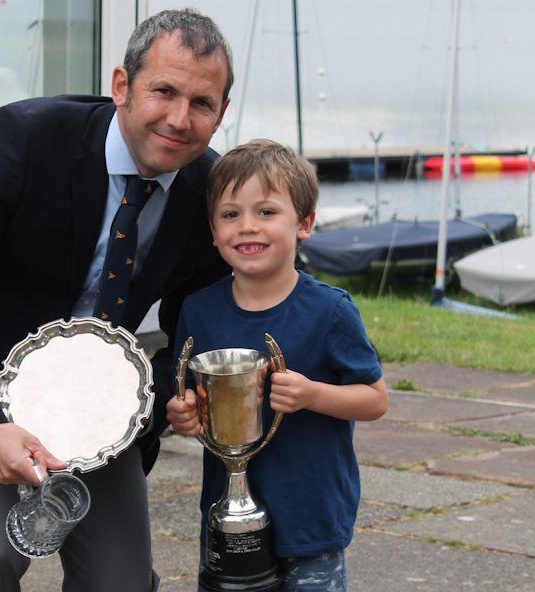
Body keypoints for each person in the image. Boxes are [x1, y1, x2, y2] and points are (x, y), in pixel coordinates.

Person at [0, 9, 234, 592]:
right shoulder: (24, 138)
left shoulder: (209, 190)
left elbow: (201, 325)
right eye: (163, 91)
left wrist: (160, 396)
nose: (178, 118)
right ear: (122, 86)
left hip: (95, 400)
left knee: (120, 582)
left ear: (220, 115)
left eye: (201, 103)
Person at [166, 140, 389, 591]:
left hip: (311, 520)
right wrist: (182, 415)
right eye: (230, 215)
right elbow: (186, 397)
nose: (247, 227)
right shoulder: (198, 311)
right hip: (226, 519)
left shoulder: (331, 311)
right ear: (212, 230)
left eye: (266, 212)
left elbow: (375, 400)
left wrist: (313, 395)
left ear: (304, 223)